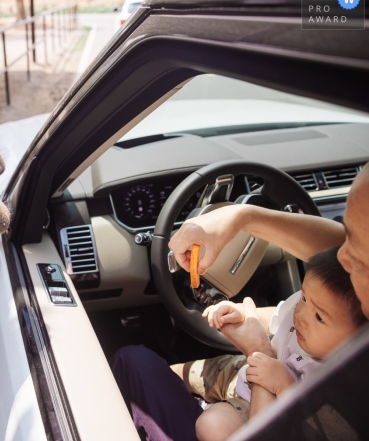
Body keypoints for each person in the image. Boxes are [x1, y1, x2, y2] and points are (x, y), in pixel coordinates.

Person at [111, 164, 369, 441]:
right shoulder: (330, 305)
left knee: (139, 366)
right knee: (171, 372)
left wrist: (260, 351)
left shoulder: (345, 388)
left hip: (267, 394)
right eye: (346, 235)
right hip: (251, 371)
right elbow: (283, 310)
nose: (342, 256)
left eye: (358, 250)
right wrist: (240, 218)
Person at [192, 246, 365, 441]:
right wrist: (242, 313)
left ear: (358, 339)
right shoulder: (305, 307)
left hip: (273, 415)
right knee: (185, 371)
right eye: (304, 298)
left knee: (213, 426)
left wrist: (285, 387)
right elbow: (276, 316)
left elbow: (309, 422)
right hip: (247, 371)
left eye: (319, 318)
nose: (300, 315)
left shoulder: (342, 382)